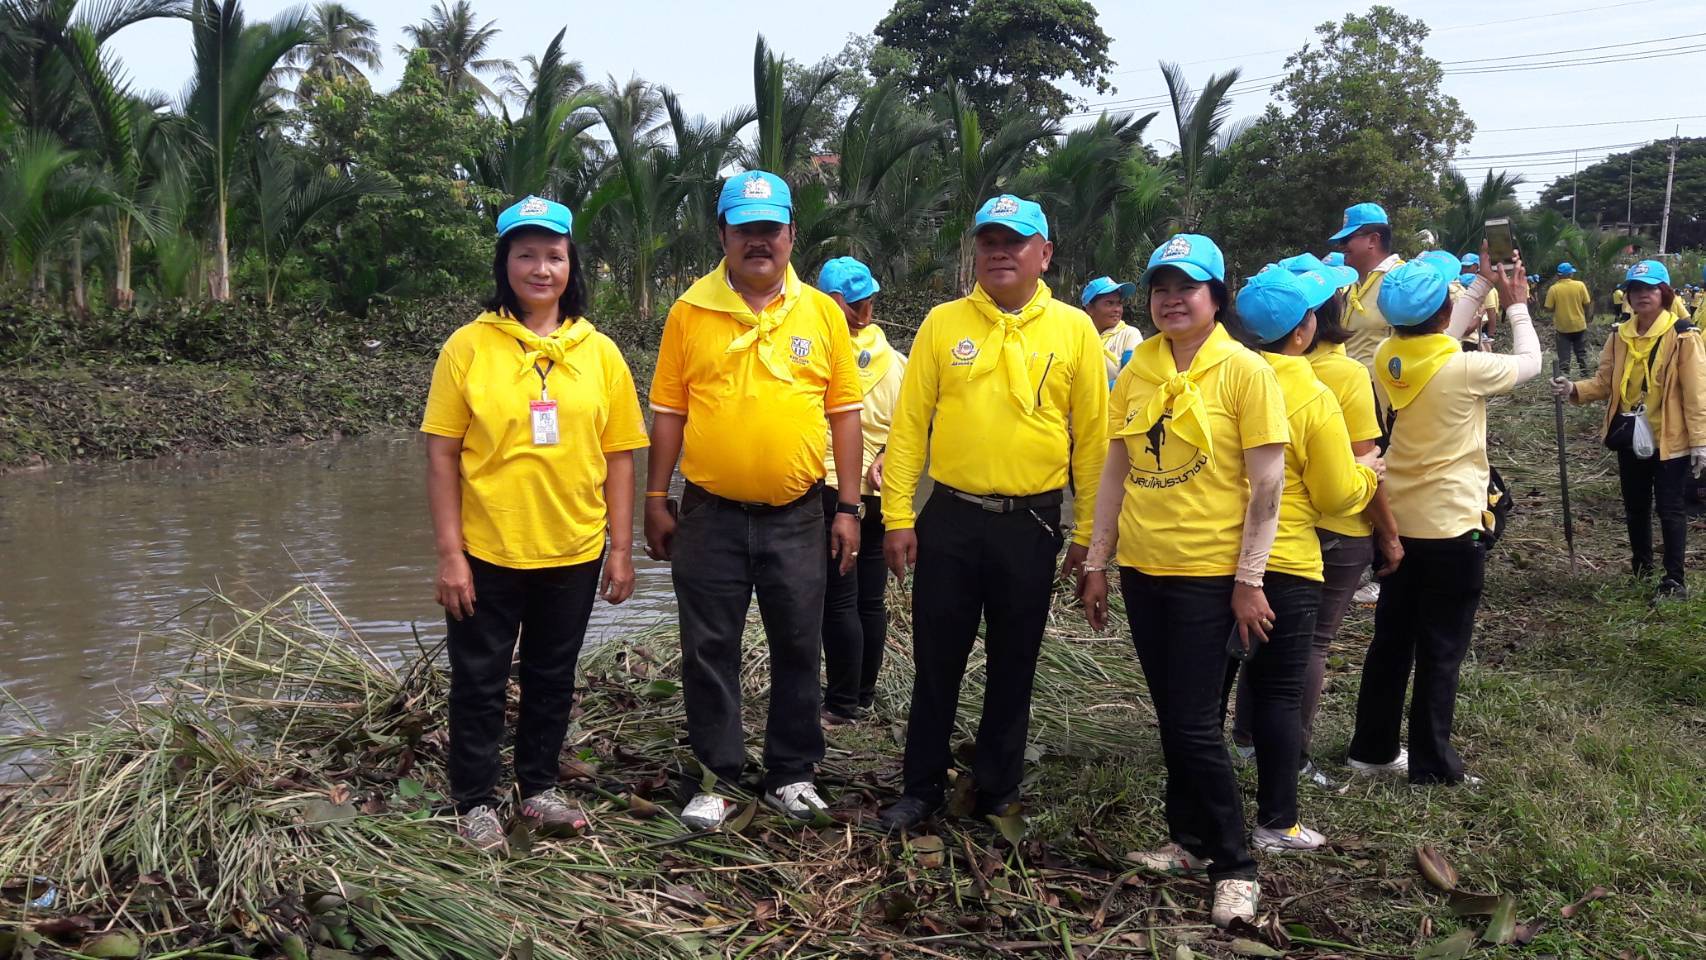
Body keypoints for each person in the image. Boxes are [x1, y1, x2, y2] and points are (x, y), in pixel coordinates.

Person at [421, 195, 649, 853]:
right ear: (506, 263)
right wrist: (449, 553)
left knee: (554, 675)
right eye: (526, 254)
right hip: (487, 548)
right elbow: (440, 453)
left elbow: (620, 456)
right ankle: (474, 801)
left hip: (573, 550)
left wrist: (621, 549)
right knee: (480, 681)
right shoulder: (468, 347)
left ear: (571, 263)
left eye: (553, 254)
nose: (540, 267)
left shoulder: (600, 352)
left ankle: (538, 786)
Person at [878, 194, 1108, 834]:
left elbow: (1092, 443)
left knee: (1015, 662)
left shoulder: (1074, 330)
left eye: (1014, 241)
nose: (1000, 252)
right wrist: (898, 515)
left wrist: (1088, 539)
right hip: (949, 519)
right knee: (936, 661)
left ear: (1045, 253)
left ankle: (999, 785)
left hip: (1030, 525)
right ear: (975, 251)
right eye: (988, 242)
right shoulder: (941, 324)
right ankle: (920, 786)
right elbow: (908, 431)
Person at [1078, 233, 1288, 928]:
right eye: (1161, 287)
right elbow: (1116, 471)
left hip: (1210, 574)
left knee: (1198, 724)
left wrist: (1249, 580)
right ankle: (1189, 838)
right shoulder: (1137, 367)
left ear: (1217, 297)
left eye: (1187, 287)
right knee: (1173, 714)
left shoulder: (1246, 372)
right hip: (1145, 568)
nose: (1172, 299)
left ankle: (1236, 863)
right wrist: (1098, 561)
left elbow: (1267, 485)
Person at [644, 171, 865, 828]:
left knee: (799, 641)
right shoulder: (690, 311)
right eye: (746, 230)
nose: (759, 243)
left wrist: (849, 509)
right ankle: (716, 775)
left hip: (798, 515)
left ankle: (791, 773)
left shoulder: (824, 314)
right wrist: (657, 497)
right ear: (724, 235)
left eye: (771, 230)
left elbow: (846, 416)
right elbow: (668, 414)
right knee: (709, 646)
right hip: (709, 513)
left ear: (792, 234)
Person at [1347, 245, 1541, 786]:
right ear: (1439, 314)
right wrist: (1517, 303)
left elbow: (1438, 334)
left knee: (1392, 641)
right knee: (1441, 650)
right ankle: (1433, 765)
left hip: (1398, 525)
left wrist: (1481, 285)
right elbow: (1531, 362)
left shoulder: (1389, 359)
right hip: (1453, 526)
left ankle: (1372, 750)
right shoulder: (1465, 368)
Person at [1224, 267, 1381, 853]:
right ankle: (1277, 822)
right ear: (1303, 329)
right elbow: (1338, 493)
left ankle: (1205, 815)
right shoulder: (1314, 394)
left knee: (1215, 691)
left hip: (1220, 555)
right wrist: (1369, 475)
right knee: (1281, 691)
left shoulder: (1225, 377)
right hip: (1288, 558)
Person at [1553, 260, 1706, 600]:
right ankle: (1641, 568)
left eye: (1649, 289)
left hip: (1671, 441)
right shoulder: (1619, 335)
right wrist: (1574, 389)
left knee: (1670, 509)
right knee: (1635, 507)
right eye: (1635, 289)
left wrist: (1700, 441)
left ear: (1664, 293)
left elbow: (1697, 393)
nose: (1641, 296)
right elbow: (1605, 381)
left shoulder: (1683, 335)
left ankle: (1674, 581)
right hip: (1630, 437)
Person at [815, 256, 906, 724]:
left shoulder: (823, 354)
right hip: (882, 493)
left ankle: (840, 703)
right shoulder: (897, 360)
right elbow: (915, 428)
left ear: (832, 303)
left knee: (839, 601)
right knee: (870, 599)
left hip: (835, 492)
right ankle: (865, 696)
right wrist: (888, 454)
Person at [1330, 202, 1402, 372]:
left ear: (1373, 240)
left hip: (1383, 390)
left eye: (1346, 239)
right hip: (1352, 386)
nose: (1341, 247)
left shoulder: (1400, 280)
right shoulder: (1350, 282)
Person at [1082, 275, 1145, 386]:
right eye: (1109, 303)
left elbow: (1132, 378)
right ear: (1090, 309)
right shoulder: (1079, 336)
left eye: (1119, 303)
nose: (1117, 309)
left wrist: (1093, 391)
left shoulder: (1129, 335)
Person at [1545, 262, 1593, 377]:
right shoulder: (1580, 285)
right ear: (1570, 274)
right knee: (1582, 353)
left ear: (1559, 275)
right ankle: (1585, 376)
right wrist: (1587, 317)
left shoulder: (1554, 289)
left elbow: (1548, 308)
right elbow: (1587, 303)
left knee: (1564, 356)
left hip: (1563, 328)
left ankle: (1564, 379)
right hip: (1579, 325)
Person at [1459, 254, 1500, 347]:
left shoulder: (1484, 287)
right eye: (1463, 267)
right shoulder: (1463, 283)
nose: (1464, 270)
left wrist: (1490, 337)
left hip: (1480, 329)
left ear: (1476, 267)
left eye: (1468, 267)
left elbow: (1491, 313)